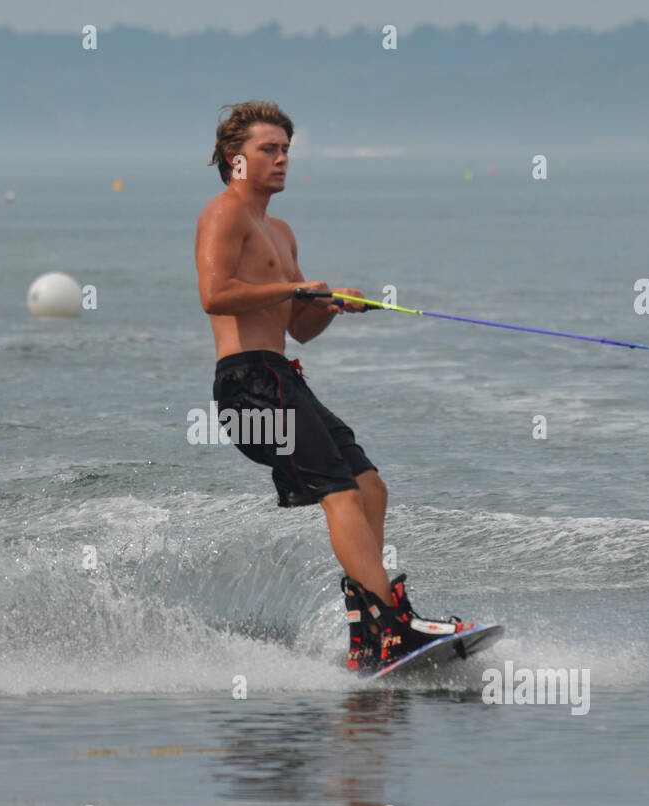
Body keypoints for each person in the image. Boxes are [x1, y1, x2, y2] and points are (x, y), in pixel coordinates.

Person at [193, 100, 473, 674]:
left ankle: (368, 632)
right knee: (340, 494)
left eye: (285, 150)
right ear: (235, 158)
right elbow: (214, 296)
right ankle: (393, 625)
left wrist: (329, 305)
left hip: (282, 376)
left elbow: (299, 328)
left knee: (370, 488)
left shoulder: (280, 231)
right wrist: (295, 290)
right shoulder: (223, 214)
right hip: (247, 384)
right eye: (268, 149)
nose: (281, 159)